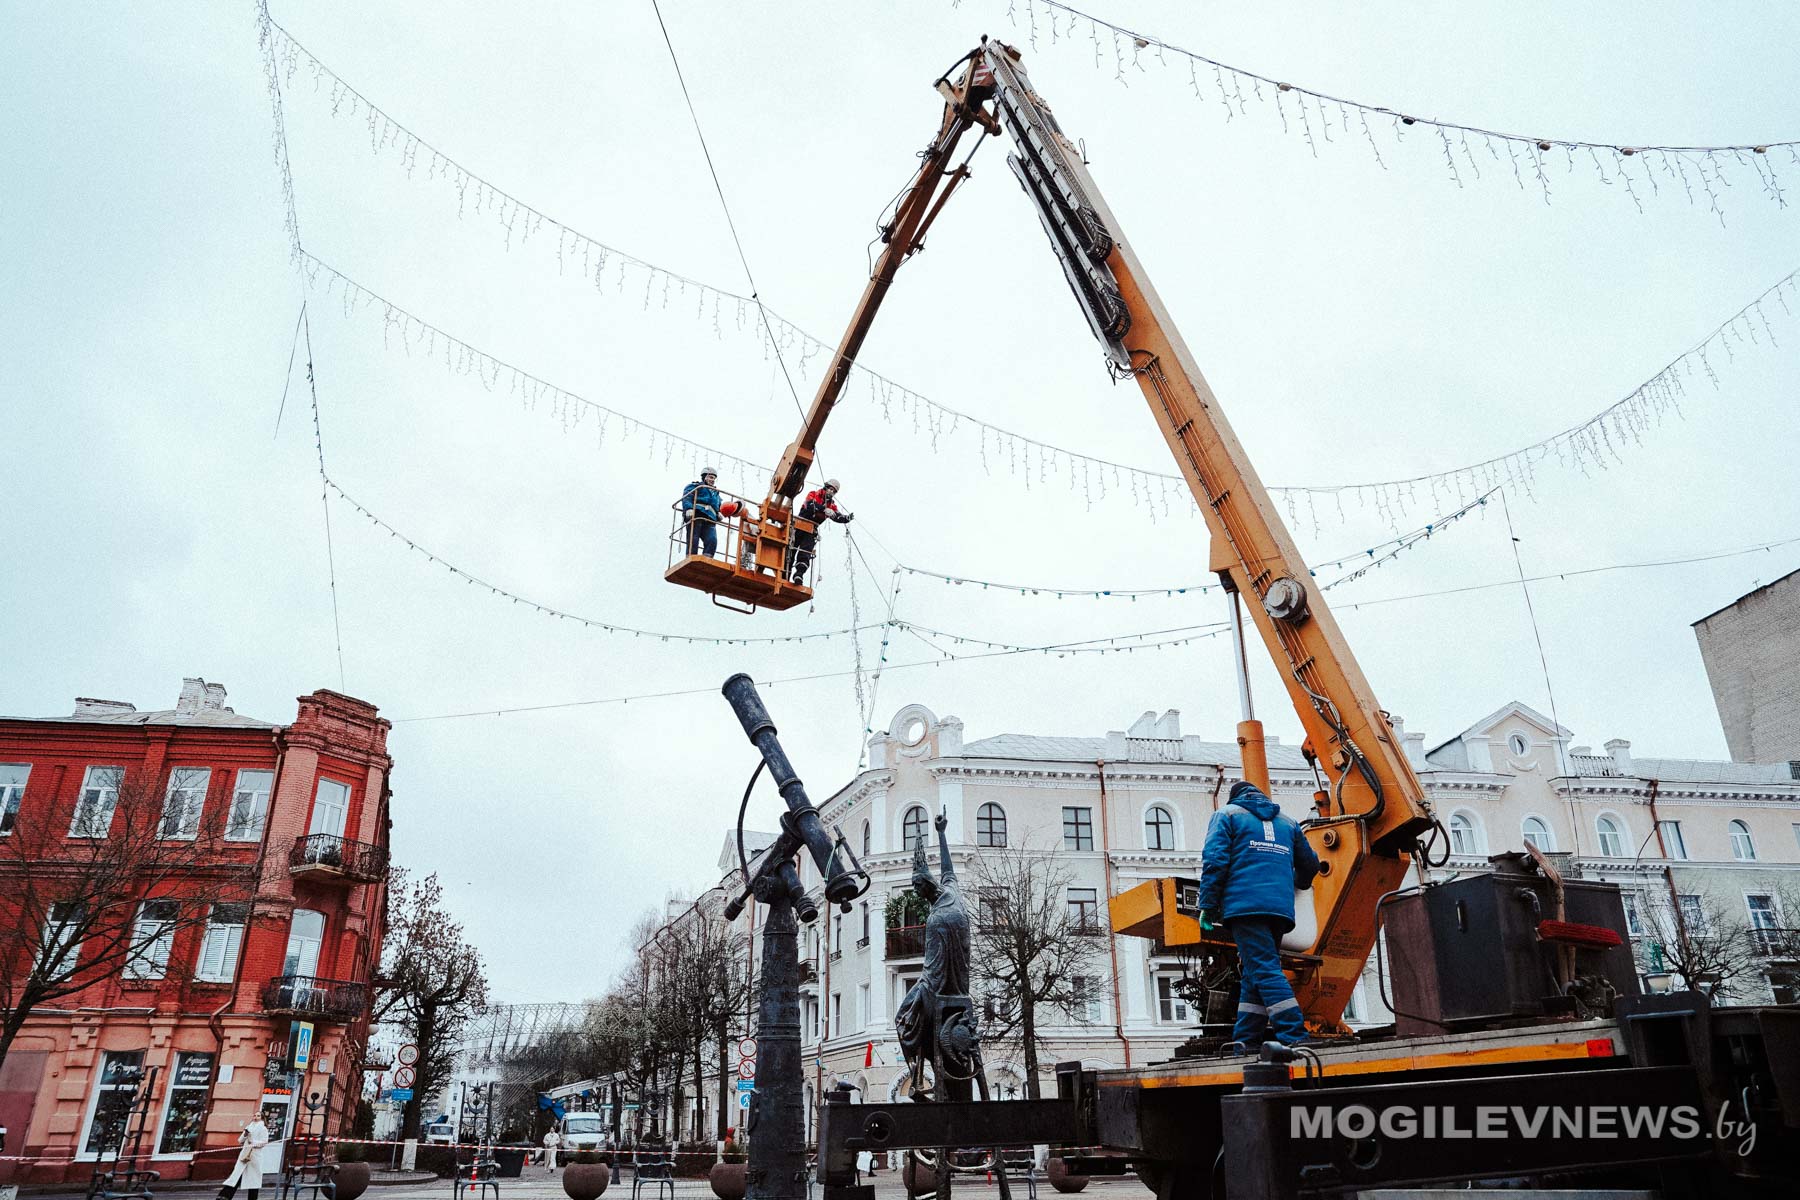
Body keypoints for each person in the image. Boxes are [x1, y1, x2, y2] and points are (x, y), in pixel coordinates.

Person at [1195, 779, 1321, 1049]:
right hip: (1280, 910)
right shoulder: (1288, 822)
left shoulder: (1226, 815)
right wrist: (1296, 885)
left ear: (1235, 798)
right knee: (1254, 973)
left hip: (1245, 907)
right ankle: (1245, 1040)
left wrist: (1207, 905)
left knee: (1265, 969)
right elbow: (1311, 864)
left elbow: (1215, 862)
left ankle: (1294, 1035)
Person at [787, 478, 853, 584]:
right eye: (830, 489)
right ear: (826, 487)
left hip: (811, 529)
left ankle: (799, 574)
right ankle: (785, 574)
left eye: (834, 491)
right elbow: (809, 505)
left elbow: (837, 516)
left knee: (806, 552)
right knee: (790, 551)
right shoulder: (813, 494)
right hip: (799, 525)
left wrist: (846, 518)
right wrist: (823, 509)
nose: (831, 492)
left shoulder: (831, 505)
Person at [216, 1114, 270, 1200]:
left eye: (258, 1116)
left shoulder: (263, 1129)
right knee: (236, 1175)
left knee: (253, 1179)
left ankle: (251, 1198)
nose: (255, 1117)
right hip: (244, 1155)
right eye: (254, 1116)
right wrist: (245, 1134)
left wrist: (252, 1141)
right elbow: (240, 1140)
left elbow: (264, 1142)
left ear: (262, 1118)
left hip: (254, 1156)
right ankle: (224, 1196)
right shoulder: (249, 1127)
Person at [679, 468, 723, 557]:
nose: (713, 480)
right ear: (704, 477)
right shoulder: (696, 486)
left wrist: (719, 512)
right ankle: (691, 557)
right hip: (697, 514)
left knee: (712, 539)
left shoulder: (716, 493)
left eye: (714, 478)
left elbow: (718, 505)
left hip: (710, 518)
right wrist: (688, 508)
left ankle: (707, 558)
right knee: (693, 538)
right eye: (711, 477)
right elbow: (687, 497)